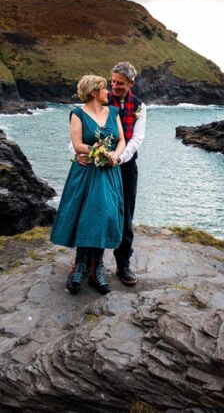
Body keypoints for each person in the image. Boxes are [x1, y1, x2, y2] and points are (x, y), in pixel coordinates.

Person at [50, 74, 126, 295]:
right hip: (85, 172)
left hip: (109, 173)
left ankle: (97, 268)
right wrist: (97, 152)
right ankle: (80, 265)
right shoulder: (78, 114)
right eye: (104, 89)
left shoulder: (113, 112)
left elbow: (121, 139)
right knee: (86, 217)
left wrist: (116, 157)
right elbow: (77, 145)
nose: (108, 92)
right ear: (94, 92)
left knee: (104, 216)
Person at [72, 62, 145, 286]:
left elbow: (136, 139)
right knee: (94, 212)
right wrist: (77, 154)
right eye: (112, 81)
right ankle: (88, 263)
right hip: (97, 164)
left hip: (125, 166)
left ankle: (123, 265)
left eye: (119, 83)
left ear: (131, 84)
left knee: (125, 214)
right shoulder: (100, 101)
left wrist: (118, 158)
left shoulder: (140, 107)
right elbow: (79, 135)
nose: (114, 86)